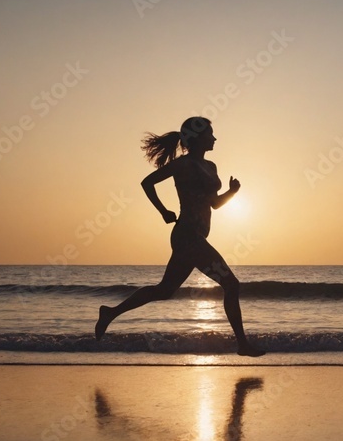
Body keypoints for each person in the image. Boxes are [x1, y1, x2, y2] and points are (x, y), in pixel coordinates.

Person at [94, 116, 265, 357]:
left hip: (194, 237)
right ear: (196, 138)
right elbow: (147, 182)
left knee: (165, 290)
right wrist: (163, 211)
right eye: (210, 134)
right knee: (231, 284)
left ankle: (110, 313)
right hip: (187, 235)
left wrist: (232, 192)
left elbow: (214, 204)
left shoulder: (211, 167)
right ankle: (243, 345)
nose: (214, 138)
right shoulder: (183, 165)